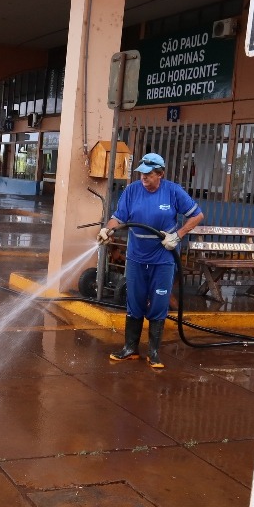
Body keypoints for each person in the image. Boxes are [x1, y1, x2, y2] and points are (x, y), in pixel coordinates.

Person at [97, 152, 204, 369]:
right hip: (137, 257)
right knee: (134, 300)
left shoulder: (173, 191)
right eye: (141, 174)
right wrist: (108, 229)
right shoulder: (132, 190)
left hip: (163, 257)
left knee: (159, 303)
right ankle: (130, 348)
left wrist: (179, 234)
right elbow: (119, 217)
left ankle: (154, 352)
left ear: (160, 174)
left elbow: (197, 215)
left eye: (148, 174)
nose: (143, 178)